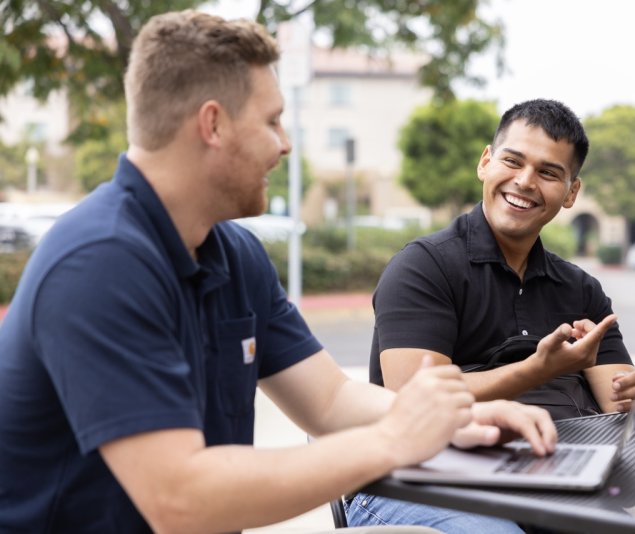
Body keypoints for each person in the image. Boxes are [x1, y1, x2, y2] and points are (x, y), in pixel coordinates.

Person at [0, 11, 559, 533]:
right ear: (213, 125)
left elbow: (330, 401)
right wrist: (393, 439)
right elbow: (177, 500)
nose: (286, 145)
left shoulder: (234, 254)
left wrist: (452, 421)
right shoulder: (100, 263)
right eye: (272, 122)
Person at [346, 99, 635, 530]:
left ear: (571, 192)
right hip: (418, 478)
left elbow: (617, 398)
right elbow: (413, 397)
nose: (525, 181)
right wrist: (537, 369)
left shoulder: (580, 288)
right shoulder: (423, 266)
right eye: (513, 161)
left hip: (546, 474)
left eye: (549, 172)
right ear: (486, 162)